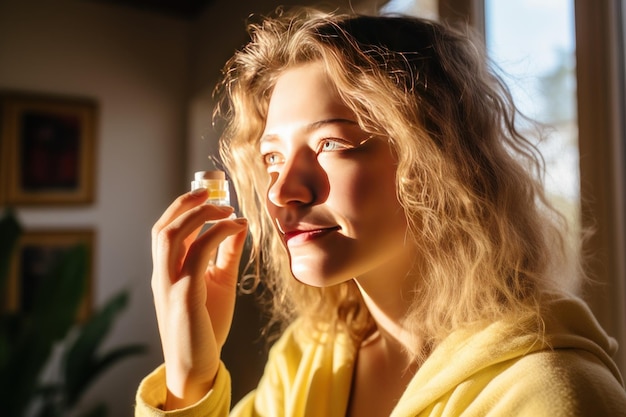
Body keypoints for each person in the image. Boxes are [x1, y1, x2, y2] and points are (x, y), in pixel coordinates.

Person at [135, 6, 626, 416]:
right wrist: (189, 377)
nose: (283, 191)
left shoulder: (549, 395)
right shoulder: (309, 359)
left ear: (438, 161)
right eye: (272, 157)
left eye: (331, 143)